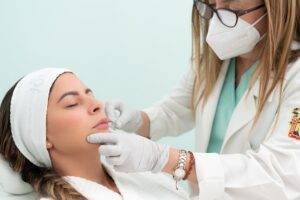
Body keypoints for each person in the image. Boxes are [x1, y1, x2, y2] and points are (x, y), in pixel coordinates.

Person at [87, 0, 300, 199]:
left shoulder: (295, 77)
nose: (217, 20)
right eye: (210, 6)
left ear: (275, 7)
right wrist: (139, 121)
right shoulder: (214, 60)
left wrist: (165, 159)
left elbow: (281, 172)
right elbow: (175, 110)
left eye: (230, 7)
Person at [0, 68, 190, 200]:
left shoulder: (145, 175)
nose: (97, 104)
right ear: (41, 137)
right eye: (73, 103)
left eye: (90, 94)